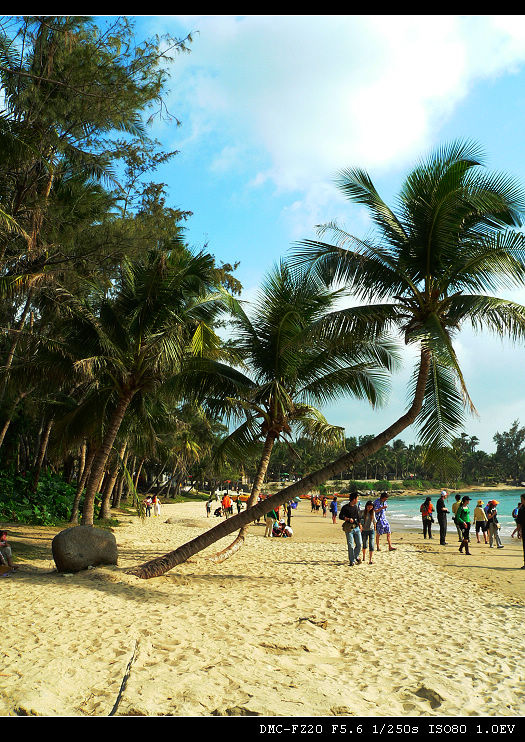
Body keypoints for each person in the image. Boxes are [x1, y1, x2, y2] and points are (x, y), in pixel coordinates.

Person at [339, 492, 362, 566]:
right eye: (357, 498)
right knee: (350, 545)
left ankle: (356, 556)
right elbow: (340, 516)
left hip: (356, 528)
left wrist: (360, 524)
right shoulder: (345, 507)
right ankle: (352, 560)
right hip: (349, 528)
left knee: (359, 544)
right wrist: (348, 519)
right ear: (354, 499)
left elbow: (358, 517)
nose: (357, 500)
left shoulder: (355, 507)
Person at [361, 500, 376, 564]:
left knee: (371, 544)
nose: (369, 508)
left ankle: (370, 559)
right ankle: (364, 557)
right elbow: (360, 520)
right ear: (366, 506)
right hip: (364, 530)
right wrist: (360, 526)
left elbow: (374, 521)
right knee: (364, 544)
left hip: (371, 530)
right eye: (368, 507)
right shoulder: (362, 512)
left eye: (371, 507)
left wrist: (375, 527)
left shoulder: (373, 512)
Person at [516, 493, 525, 568]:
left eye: (522, 499)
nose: (521, 501)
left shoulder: (521, 509)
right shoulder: (521, 509)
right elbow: (519, 522)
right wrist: (519, 531)